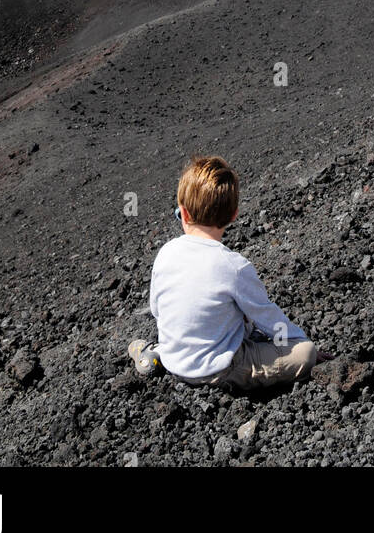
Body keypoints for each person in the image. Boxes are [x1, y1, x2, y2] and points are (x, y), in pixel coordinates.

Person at [131, 154, 318, 389]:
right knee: (305, 353)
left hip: (174, 359)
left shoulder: (166, 252)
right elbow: (268, 317)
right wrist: (296, 341)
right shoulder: (234, 267)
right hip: (220, 369)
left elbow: (158, 310)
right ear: (233, 215)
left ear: (185, 213)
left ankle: (154, 353)